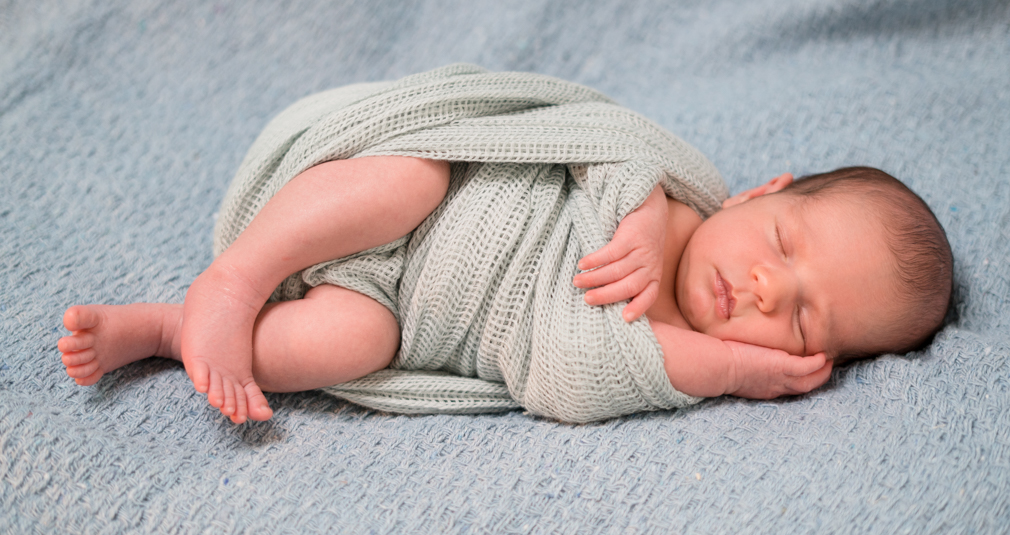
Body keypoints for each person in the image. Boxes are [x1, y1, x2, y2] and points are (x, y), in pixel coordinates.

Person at [56, 153, 953, 424]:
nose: (762, 287)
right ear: (762, 192)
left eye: (799, 316)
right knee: (410, 177)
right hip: (400, 208)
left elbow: (560, 374)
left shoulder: (677, 358)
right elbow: (598, 134)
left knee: (350, 343)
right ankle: (237, 275)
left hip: (399, 306)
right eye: (783, 242)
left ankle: (173, 330)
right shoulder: (679, 192)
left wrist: (726, 370)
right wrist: (638, 215)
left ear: (813, 362)